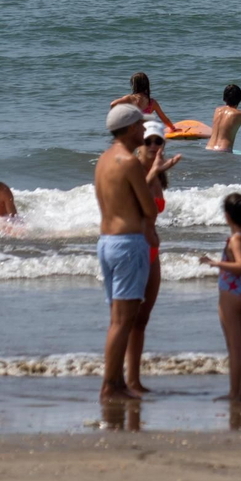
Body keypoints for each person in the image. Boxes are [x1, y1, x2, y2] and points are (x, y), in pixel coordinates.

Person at [95, 103, 158, 401]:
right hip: (128, 243)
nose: (145, 130)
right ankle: (110, 385)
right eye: (142, 125)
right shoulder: (128, 162)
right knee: (124, 321)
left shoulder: (104, 160)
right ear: (131, 128)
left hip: (106, 242)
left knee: (116, 319)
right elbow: (148, 207)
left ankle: (117, 382)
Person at [124, 120, 182, 397]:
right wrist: (157, 170)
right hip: (132, 250)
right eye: (148, 141)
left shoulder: (156, 174)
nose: (153, 146)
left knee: (143, 319)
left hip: (152, 251)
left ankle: (134, 380)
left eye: (158, 141)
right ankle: (118, 379)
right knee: (126, 319)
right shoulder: (132, 169)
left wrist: (160, 171)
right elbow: (131, 203)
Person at [200, 191, 241, 402]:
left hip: (231, 294)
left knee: (234, 348)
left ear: (227, 216)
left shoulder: (236, 239)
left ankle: (235, 393)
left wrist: (215, 263)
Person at [111, 72, 178, 130]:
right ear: (147, 85)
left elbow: (113, 104)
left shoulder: (129, 98)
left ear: (134, 85)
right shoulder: (152, 102)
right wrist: (172, 128)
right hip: (143, 132)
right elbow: (164, 119)